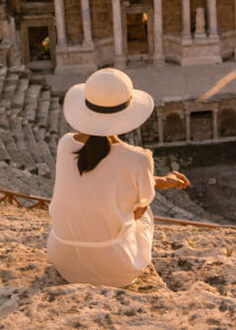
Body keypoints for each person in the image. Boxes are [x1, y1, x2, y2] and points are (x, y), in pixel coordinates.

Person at [47, 68, 189, 287]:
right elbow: (136, 210)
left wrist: (161, 180)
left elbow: (101, 178)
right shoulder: (138, 158)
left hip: (64, 260)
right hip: (114, 269)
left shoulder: (65, 144)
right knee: (145, 210)